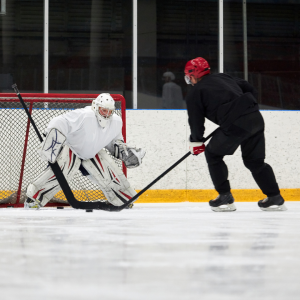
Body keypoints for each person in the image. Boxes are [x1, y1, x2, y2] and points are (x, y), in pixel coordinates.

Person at [184, 57, 286, 212]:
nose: (189, 81)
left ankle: (225, 196)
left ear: (192, 75)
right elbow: (249, 88)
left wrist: (196, 141)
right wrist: (244, 108)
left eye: (188, 77)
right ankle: (274, 197)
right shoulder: (223, 77)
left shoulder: (195, 93)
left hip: (237, 124)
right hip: (255, 118)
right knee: (255, 161)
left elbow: (196, 121)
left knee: (213, 154)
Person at [25, 93, 146, 210]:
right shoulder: (85, 115)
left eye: (109, 111)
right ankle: (33, 198)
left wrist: (124, 153)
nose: (106, 115)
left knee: (110, 173)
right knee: (59, 172)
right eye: (104, 110)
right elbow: (61, 122)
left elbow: (114, 141)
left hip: (92, 153)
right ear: (95, 107)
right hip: (72, 148)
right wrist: (52, 139)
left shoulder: (116, 121)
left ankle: (123, 199)